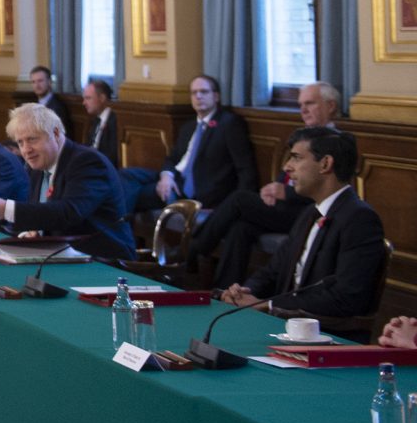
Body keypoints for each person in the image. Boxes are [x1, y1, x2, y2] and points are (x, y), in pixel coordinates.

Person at [221, 128, 386, 324]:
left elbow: (346, 298)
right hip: (285, 325)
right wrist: (245, 293)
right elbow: (273, 271)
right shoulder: (310, 212)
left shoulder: (360, 219)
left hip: (325, 335)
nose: (287, 167)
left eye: (296, 158)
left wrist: (270, 305)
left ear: (325, 163)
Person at [188, 81, 343, 288]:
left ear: (330, 106)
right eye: (300, 105)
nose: (303, 110)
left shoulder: (337, 143)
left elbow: (329, 190)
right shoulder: (305, 136)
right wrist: (272, 189)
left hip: (308, 214)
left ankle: (194, 250)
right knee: (241, 228)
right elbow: (288, 173)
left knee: (239, 199)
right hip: (285, 207)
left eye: (310, 103)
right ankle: (225, 292)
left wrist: (286, 193)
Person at [0, 102, 135, 260]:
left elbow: (68, 213)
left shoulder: (87, 162)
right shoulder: (37, 168)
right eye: (20, 142)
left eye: (32, 139)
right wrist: (32, 233)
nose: (26, 150)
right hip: (58, 258)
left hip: (104, 262)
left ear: (55, 134)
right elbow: (43, 216)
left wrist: (7, 209)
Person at [157, 75, 257, 207]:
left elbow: (245, 168)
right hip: (174, 182)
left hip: (202, 195)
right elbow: (172, 159)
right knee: (130, 176)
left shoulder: (229, 124)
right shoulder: (188, 127)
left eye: (203, 92)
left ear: (216, 97)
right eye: (194, 93)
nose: (198, 96)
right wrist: (166, 177)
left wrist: (240, 204)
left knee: (137, 193)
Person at [80, 78, 120, 167]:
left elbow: (113, 156)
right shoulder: (96, 120)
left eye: (88, 98)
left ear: (102, 98)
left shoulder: (114, 121)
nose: (84, 103)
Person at [30, 67, 76, 137]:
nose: (37, 85)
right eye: (33, 82)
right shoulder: (33, 105)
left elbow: (58, 136)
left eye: (40, 81)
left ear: (49, 82)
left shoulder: (58, 107)